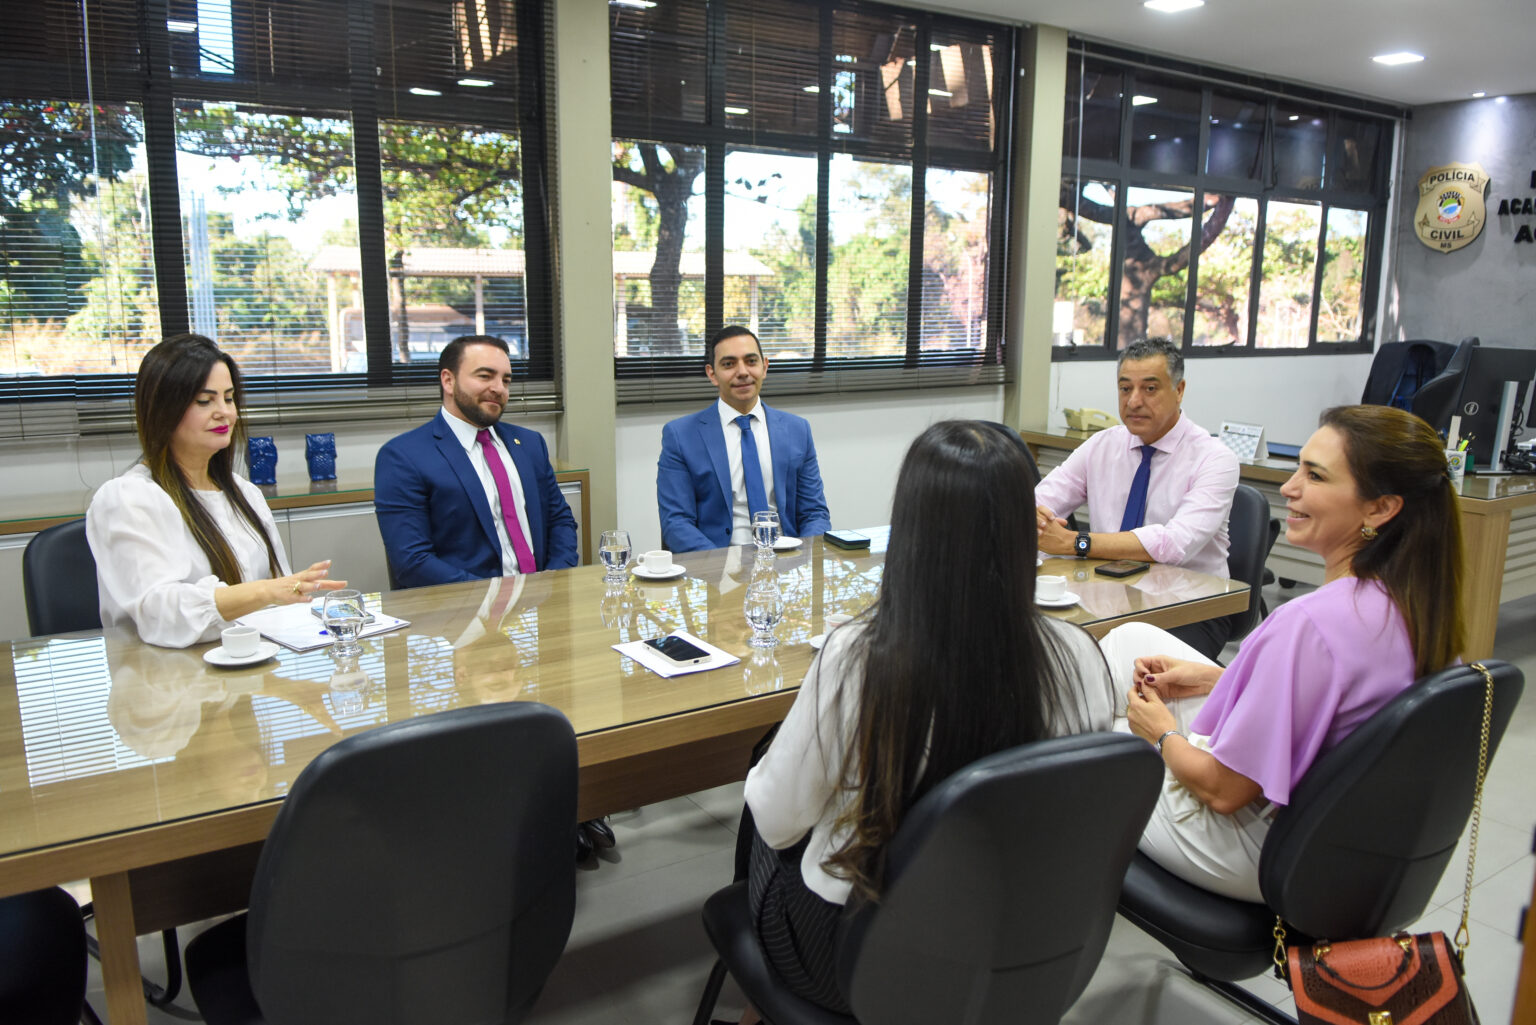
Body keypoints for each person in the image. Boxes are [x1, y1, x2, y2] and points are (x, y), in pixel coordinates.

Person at [740, 421, 1116, 1015]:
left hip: (860, 958)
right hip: (1018, 941)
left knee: (762, 800)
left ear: (911, 528)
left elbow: (777, 819)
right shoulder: (1077, 656)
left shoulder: (860, 657)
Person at [1100, 404, 1464, 901]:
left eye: (1314, 476)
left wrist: (1159, 734)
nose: (1288, 488)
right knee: (1128, 639)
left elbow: (1223, 792)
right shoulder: (1419, 605)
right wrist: (1218, 681)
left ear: (1380, 508)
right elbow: (1334, 698)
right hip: (1346, 846)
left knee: (1105, 731)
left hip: (1263, 851)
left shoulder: (1309, 623)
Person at [86, 334, 345, 649]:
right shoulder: (128, 498)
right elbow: (158, 613)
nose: (224, 412)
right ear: (163, 409)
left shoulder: (245, 493)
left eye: (229, 397)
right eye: (204, 401)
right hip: (164, 681)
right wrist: (265, 591)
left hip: (250, 671)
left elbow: (282, 600)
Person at [1035, 336, 1240, 659]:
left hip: (1189, 608)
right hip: (1104, 593)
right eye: (1125, 388)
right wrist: (1033, 517)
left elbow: (1173, 544)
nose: (1133, 402)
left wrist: (1077, 543)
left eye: (1150, 388)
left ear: (1179, 390)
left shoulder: (1214, 458)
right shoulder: (1101, 446)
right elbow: (1040, 500)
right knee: (1041, 650)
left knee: (1120, 672)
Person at [375, 335, 578, 587]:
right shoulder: (403, 456)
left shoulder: (530, 444)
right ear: (448, 381)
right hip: (462, 612)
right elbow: (412, 561)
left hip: (541, 603)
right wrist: (495, 597)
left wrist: (553, 580)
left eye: (506, 380)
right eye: (485, 376)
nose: (499, 388)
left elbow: (560, 520)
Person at [657, 325, 831, 553]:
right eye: (729, 364)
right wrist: (721, 568)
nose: (742, 372)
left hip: (787, 564)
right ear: (712, 374)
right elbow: (676, 523)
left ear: (764, 366)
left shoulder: (797, 430)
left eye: (751, 361)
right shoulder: (681, 435)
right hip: (718, 567)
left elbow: (814, 513)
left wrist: (804, 560)